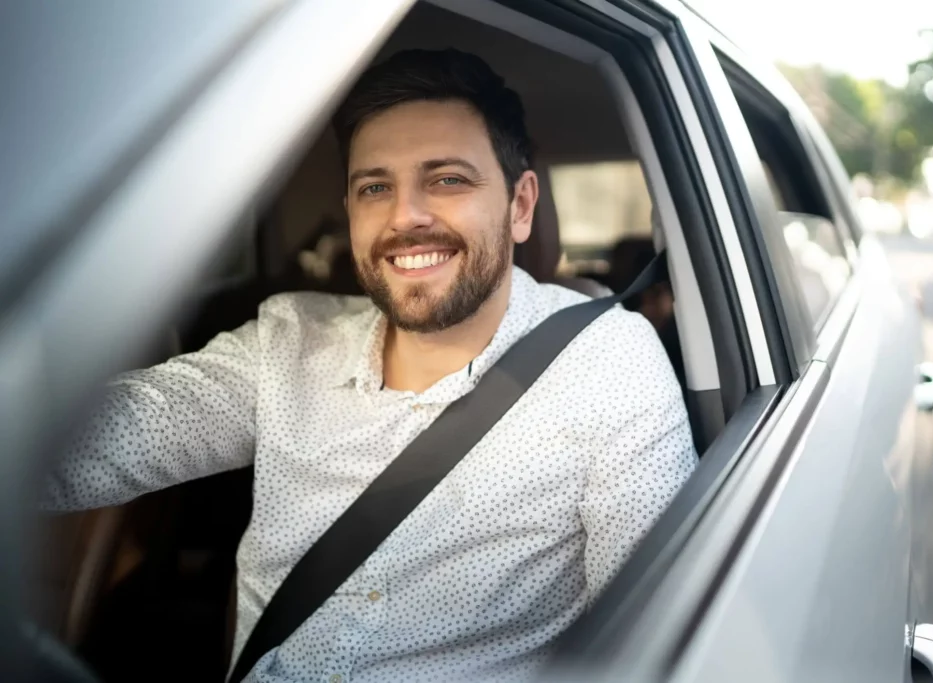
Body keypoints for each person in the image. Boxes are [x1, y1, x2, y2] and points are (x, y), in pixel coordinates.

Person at [43, 49, 697, 683]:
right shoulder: (285, 342)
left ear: (520, 206)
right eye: (375, 187)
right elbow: (100, 441)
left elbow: (654, 637)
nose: (405, 216)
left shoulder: (610, 362)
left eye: (447, 179)